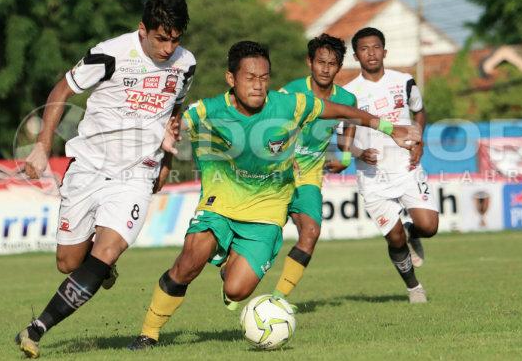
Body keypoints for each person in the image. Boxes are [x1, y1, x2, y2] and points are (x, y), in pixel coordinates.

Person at [129, 40, 420, 349]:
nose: (258, 85)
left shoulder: (289, 105)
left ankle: (226, 259)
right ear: (231, 78)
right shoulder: (209, 110)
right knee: (188, 262)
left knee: (237, 291)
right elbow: (175, 126)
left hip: (267, 212)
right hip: (219, 205)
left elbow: (338, 110)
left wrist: (390, 128)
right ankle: (148, 333)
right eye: (250, 78)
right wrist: (166, 144)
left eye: (264, 78)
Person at [14, 0, 195, 358]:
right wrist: (43, 146)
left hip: (136, 175)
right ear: (142, 29)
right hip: (89, 168)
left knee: (107, 252)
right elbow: (62, 88)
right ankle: (99, 269)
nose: (167, 48)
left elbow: (176, 108)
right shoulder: (110, 54)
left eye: (175, 40)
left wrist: (167, 161)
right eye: (161, 39)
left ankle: (36, 329)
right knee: (68, 262)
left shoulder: (186, 63)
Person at [342, 27, 439, 304]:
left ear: (384, 51)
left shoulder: (405, 81)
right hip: (372, 177)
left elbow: (419, 112)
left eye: (375, 47)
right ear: (355, 55)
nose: (370, 53)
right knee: (394, 238)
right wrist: (359, 151)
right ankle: (414, 288)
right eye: (364, 48)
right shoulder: (348, 94)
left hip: (407, 167)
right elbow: (340, 134)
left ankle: (413, 231)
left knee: (429, 226)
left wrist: (418, 139)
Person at [270, 33, 356, 304]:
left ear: (339, 67)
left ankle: (277, 301)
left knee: (311, 232)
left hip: (309, 176)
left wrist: (344, 155)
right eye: (321, 62)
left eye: (332, 63)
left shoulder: (346, 99)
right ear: (310, 62)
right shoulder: (290, 92)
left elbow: (350, 119)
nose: (326, 68)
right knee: (267, 237)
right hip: (275, 176)